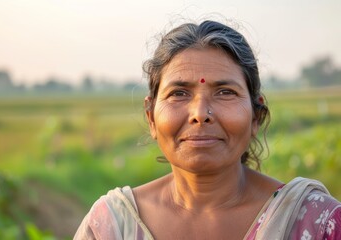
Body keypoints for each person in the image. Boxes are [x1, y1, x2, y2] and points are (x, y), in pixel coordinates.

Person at [74, 20, 341, 240]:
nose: (200, 114)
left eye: (225, 92)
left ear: (256, 117)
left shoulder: (317, 222)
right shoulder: (110, 227)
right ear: (151, 118)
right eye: (179, 93)